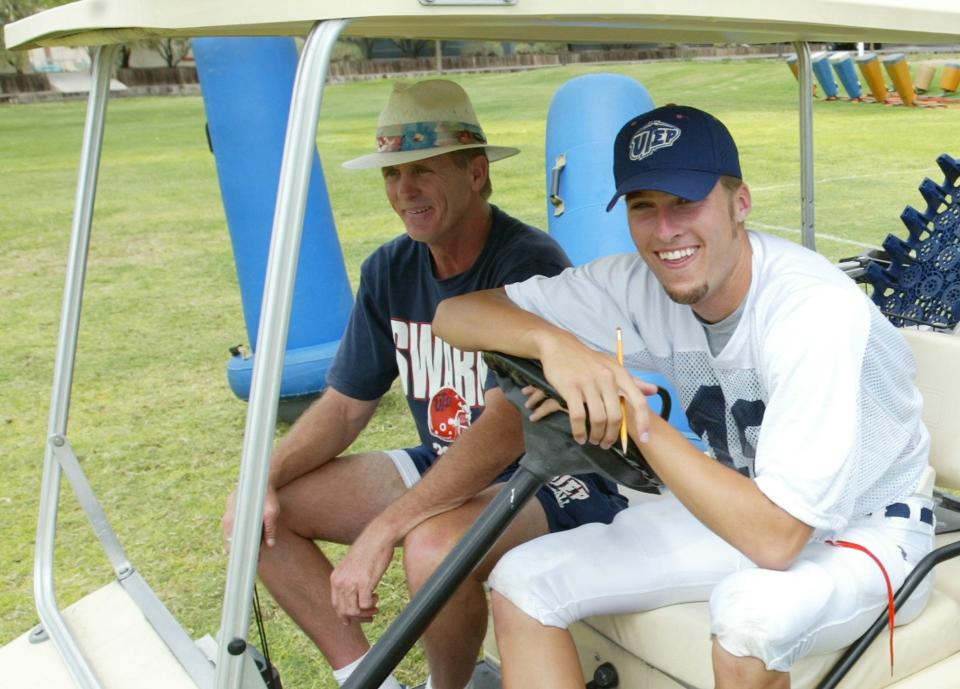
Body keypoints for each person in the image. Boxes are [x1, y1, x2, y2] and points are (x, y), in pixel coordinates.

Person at [433, 104, 936, 689]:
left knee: (751, 619)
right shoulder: (637, 283)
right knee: (525, 579)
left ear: (740, 203)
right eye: (643, 208)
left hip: (867, 531)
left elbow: (777, 540)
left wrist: (633, 416)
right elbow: (454, 314)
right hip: (741, 507)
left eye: (685, 203)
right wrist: (555, 345)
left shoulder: (811, 312)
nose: (665, 231)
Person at [221, 79, 628, 689]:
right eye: (391, 175)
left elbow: (507, 428)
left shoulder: (528, 264)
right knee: (264, 517)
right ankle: (368, 678)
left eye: (422, 171)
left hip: (555, 474)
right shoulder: (390, 267)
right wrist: (261, 481)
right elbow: (345, 405)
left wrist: (388, 527)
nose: (403, 190)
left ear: (476, 174)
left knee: (432, 548)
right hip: (447, 463)